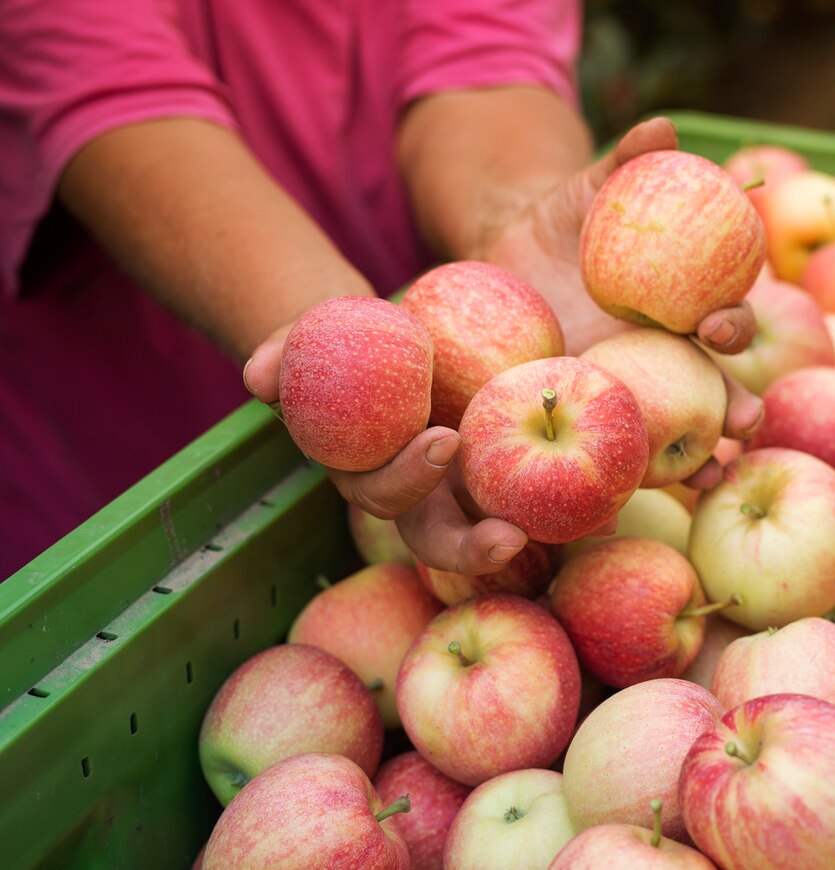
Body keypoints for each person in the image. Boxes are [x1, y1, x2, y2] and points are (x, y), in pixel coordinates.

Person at [0, 0, 761, 581]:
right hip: (130, 448)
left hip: (436, 377)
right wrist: (338, 339)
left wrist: (512, 220)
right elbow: (109, 96)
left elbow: (483, 55)